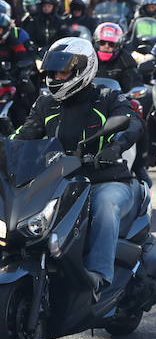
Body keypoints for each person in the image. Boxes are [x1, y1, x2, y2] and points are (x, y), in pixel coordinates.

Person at [12, 37, 143, 298]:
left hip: (105, 179)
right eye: (52, 72)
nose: (56, 77)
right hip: (59, 181)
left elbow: (132, 122)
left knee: (104, 206)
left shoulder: (107, 97)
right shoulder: (45, 104)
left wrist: (114, 148)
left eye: (63, 71)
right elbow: (24, 135)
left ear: (82, 69)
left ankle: (99, 277)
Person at [93, 22, 142, 92]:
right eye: (102, 42)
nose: (106, 46)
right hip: (90, 99)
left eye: (111, 44)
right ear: (96, 43)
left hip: (117, 100)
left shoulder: (126, 60)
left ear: (118, 45)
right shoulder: (89, 58)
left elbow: (135, 82)